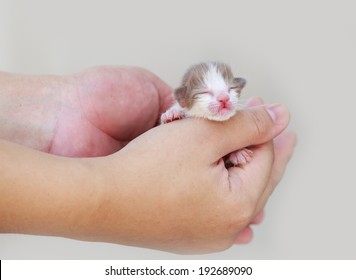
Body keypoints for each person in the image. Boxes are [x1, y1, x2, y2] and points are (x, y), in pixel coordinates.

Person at [0, 66, 296, 254]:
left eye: (230, 91)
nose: (222, 100)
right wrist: (111, 200)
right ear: (183, 100)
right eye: (207, 93)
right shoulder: (179, 113)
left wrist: (55, 107)